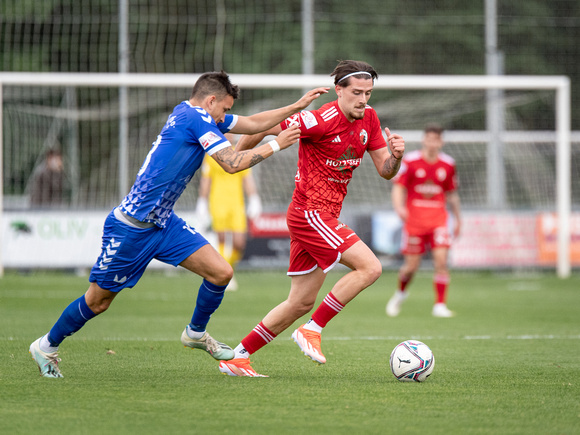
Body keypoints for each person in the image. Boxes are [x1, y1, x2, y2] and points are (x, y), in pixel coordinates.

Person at [29, 70, 328, 378]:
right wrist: (276, 145)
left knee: (221, 272)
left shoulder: (196, 114)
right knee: (98, 302)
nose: (227, 116)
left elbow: (252, 123)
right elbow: (231, 163)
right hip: (132, 227)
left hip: (164, 224)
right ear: (211, 100)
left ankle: (196, 333)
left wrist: (296, 106)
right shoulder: (196, 119)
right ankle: (46, 345)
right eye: (225, 108)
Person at [217, 60, 406, 377]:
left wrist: (396, 156)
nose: (363, 99)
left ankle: (237, 357)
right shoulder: (319, 119)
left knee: (300, 302)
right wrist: (238, 154)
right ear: (339, 91)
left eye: (368, 93)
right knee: (371, 267)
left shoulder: (369, 119)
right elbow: (263, 125)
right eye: (356, 92)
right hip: (309, 213)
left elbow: (386, 172)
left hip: (324, 216)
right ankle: (312, 329)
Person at [385, 123, 461, 318]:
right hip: (415, 222)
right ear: (424, 140)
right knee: (411, 267)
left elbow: (451, 194)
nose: (432, 143)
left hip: (439, 221)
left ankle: (440, 305)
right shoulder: (411, 161)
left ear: (441, 142)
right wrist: (399, 207)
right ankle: (400, 294)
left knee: (442, 263)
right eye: (429, 138)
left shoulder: (448, 164)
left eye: (436, 139)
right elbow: (398, 187)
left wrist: (459, 219)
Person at [196, 133, 262, 291]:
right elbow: (206, 180)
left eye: (231, 134)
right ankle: (223, 275)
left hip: (236, 204)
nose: (229, 137)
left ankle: (225, 269)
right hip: (217, 202)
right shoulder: (211, 155)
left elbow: (247, 178)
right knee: (222, 241)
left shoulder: (239, 155)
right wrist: (202, 201)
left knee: (239, 243)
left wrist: (254, 198)